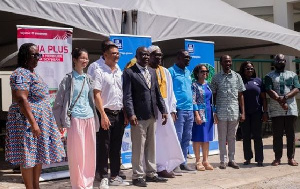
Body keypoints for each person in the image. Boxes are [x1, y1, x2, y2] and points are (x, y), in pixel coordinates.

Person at [5, 43, 65, 189]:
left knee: (37, 155)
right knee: (28, 155)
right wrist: (33, 123)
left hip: (39, 122)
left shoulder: (33, 73)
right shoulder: (20, 73)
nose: (38, 58)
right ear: (25, 55)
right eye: (35, 55)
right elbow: (21, 98)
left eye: (39, 55)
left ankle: (36, 186)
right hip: (26, 123)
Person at [53, 48, 100, 188]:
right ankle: (78, 185)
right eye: (82, 58)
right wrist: (59, 122)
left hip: (90, 118)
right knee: (76, 155)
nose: (85, 61)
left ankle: (88, 183)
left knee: (90, 154)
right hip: (75, 119)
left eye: (87, 58)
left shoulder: (89, 79)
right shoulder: (68, 79)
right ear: (74, 60)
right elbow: (58, 102)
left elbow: (92, 99)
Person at [123, 46, 168, 187]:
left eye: (148, 55)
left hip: (152, 115)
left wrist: (164, 110)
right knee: (138, 147)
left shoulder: (152, 72)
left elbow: (157, 94)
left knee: (151, 147)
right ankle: (137, 176)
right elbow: (127, 96)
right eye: (143, 55)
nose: (146, 57)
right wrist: (131, 114)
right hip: (138, 117)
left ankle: (151, 173)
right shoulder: (129, 72)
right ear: (136, 56)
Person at [93, 42, 129, 188]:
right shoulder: (99, 70)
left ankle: (115, 176)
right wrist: (103, 115)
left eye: (117, 53)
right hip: (105, 114)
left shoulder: (119, 71)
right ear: (105, 55)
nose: (116, 56)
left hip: (119, 114)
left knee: (116, 147)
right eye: (113, 53)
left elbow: (122, 95)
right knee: (104, 147)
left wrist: (125, 114)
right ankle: (103, 177)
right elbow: (96, 94)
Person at [148, 45, 185, 178]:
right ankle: (156, 167)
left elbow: (171, 93)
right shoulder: (145, 71)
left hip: (165, 110)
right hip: (151, 110)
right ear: (149, 56)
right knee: (154, 139)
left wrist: (172, 110)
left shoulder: (165, 71)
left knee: (167, 138)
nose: (159, 58)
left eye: (160, 55)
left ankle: (165, 165)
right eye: (155, 55)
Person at [210, 55, 246, 169]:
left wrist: (243, 112)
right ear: (221, 63)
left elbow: (241, 96)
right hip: (221, 112)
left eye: (229, 61)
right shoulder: (216, 77)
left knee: (232, 137)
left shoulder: (237, 76)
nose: (228, 63)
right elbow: (213, 96)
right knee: (221, 137)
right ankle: (223, 161)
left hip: (234, 111)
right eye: (226, 61)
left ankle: (232, 159)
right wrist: (214, 111)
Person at [264, 54, 300, 166]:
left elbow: (297, 88)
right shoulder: (269, 76)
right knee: (277, 135)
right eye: (278, 61)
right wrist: (280, 102)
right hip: (276, 110)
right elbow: (269, 90)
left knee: (291, 135)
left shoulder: (292, 74)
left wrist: (285, 98)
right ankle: (277, 158)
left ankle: (291, 158)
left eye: (283, 60)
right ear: (274, 62)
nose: (281, 62)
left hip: (291, 109)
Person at [168, 50, 195, 173]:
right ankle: (175, 164)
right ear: (178, 58)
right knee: (177, 138)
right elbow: (169, 92)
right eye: (186, 57)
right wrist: (173, 109)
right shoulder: (171, 72)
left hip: (189, 109)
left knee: (186, 137)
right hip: (178, 110)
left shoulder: (188, 72)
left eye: (189, 57)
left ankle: (184, 162)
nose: (188, 59)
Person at [239, 61, 268, 167]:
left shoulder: (259, 81)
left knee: (257, 136)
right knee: (246, 136)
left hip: (257, 113)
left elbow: (264, 98)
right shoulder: (240, 81)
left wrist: (265, 112)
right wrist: (242, 113)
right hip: (244, 114)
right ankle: (248, 158)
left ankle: (259, 159)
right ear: (243, 70)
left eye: (251, 68)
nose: (250, 70)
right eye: (247, 68)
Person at [191, 64, 216, 171]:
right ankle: (198, 161)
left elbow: (212, 101)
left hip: (209, 114)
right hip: (199, 114)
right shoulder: (194, 85)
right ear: (197, 73)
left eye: (206, 72)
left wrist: (215, 113)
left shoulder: (208, 85)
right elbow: (193, 100)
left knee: (206, 139)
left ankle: (205, 160)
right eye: (202, 71)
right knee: (197, 138)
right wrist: (196, 115)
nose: (205, 73)